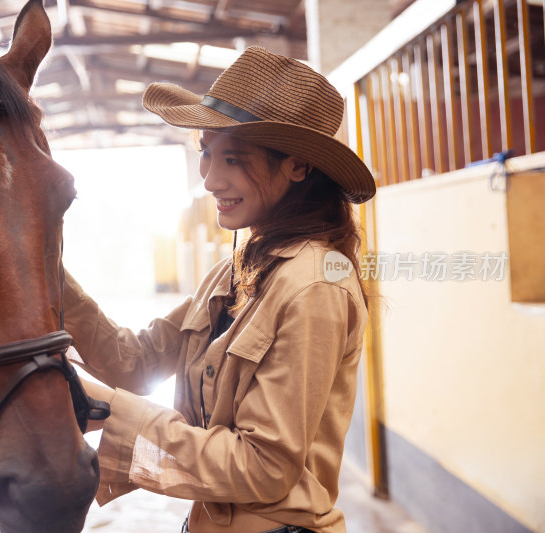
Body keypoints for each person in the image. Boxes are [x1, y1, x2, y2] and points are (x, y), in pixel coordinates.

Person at [64, 47, 376, 533]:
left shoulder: (316, 284)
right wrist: (46, 275)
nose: (210, 179)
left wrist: (111, 409)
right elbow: (135, 361)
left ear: (297, 167)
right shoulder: (233, 273)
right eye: (206, 153)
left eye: (233, 158)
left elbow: (263, 468)